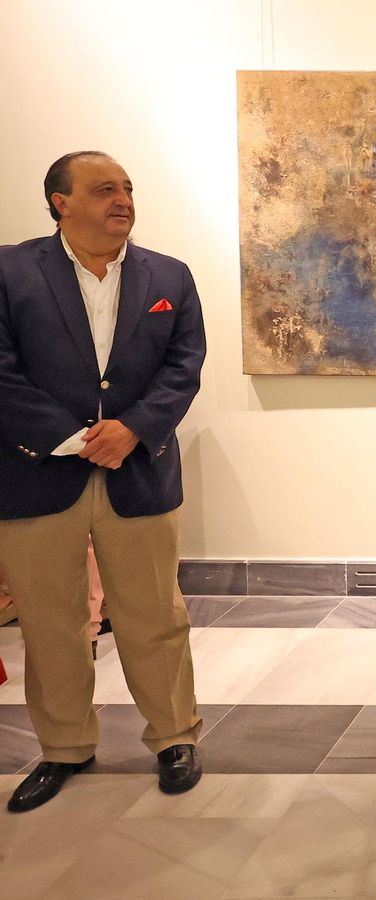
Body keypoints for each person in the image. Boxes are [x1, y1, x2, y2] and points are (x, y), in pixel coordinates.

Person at [0, 151, 207, 813]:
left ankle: (175, 738)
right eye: (103, 190)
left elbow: (184, 364)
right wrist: (75, 435)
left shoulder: (168, 275)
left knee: (154, 617)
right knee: (52, 624)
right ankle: (64, 748)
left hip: (138, 472)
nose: (122, 200)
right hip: (38, 473)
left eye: (126, 189)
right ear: (60, 201)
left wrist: (134, 429)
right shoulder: (10, 272)